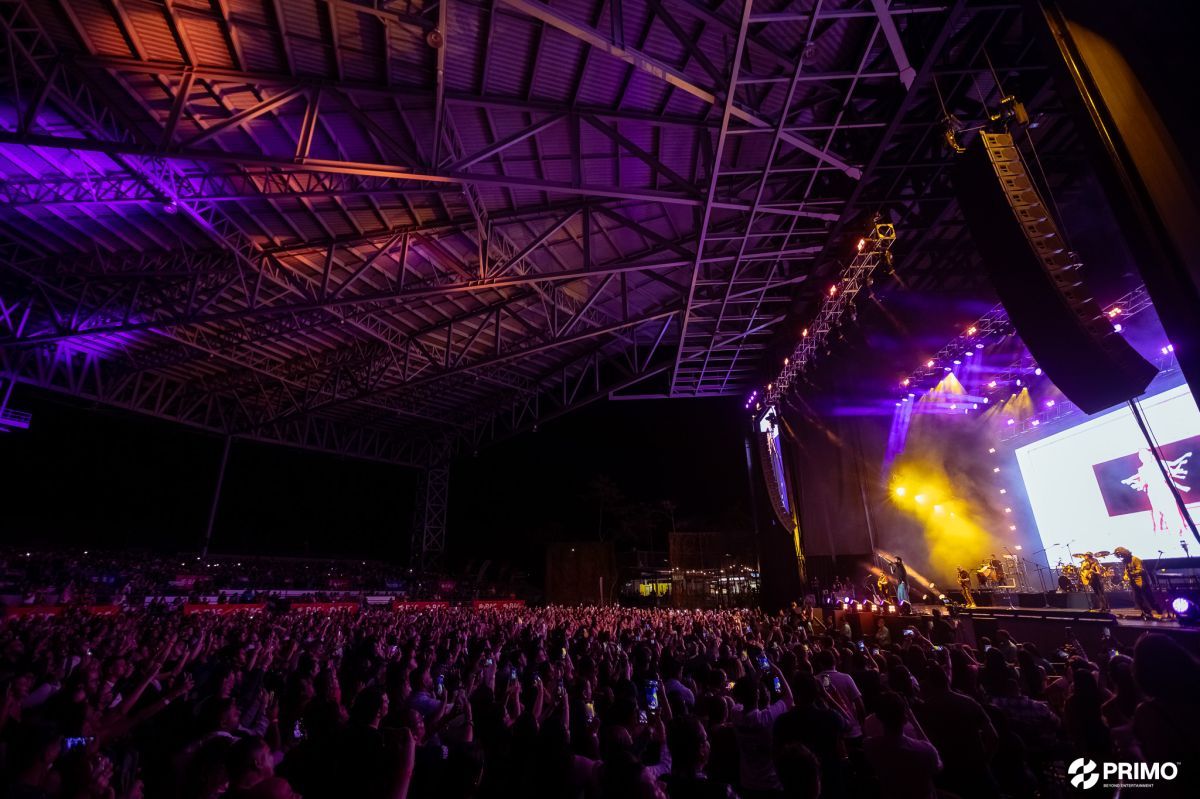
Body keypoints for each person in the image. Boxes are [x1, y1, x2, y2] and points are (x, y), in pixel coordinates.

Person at [862, 692, 941, 799]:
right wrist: (913, 720)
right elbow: (938, 766)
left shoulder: (869, 745)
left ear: (879, 717)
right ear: (905, 718)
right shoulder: (924, 750)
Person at [1113, 547, 1160, 620]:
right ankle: (1146, 613)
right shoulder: (1126, 561)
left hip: (1142, 582)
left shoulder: (1135, 559)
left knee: (1149, 598)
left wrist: (1132, 573)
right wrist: (1125, 576)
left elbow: (1141, 570)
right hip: (1134, 583)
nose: (1121, 557)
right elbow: (1126, 571)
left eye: (1121, 555)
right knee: (1138, 599)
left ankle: (1159, 611)